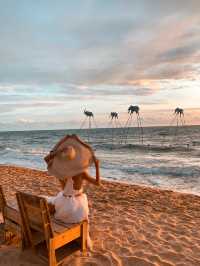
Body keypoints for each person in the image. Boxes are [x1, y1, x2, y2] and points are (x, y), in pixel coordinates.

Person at [44, 134, 101, 249]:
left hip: (63, 205)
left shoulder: (61, 172)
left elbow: (46, 159)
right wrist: (97, 165)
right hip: (75, 208)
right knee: (84, 211)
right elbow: (98, 183)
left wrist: (57, 151)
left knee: (53, 199)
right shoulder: (82, 173)